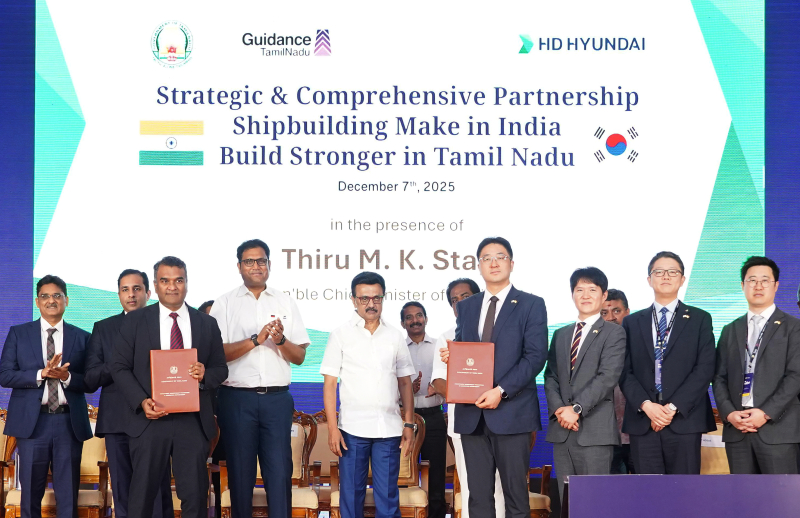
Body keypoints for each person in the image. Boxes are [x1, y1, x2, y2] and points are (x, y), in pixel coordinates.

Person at [111, 256, 228, 518]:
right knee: (142, 498)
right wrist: (141, 401)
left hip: (193, 421)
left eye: (178, 280)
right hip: (149, 420)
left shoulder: (206, 323)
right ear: (155, 285)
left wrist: (205, 374)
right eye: (165, 281)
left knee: (195, 497)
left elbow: (221, 369)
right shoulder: (135, 321)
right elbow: (118, 367)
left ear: (186, 283)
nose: (172, 286)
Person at [440, 237, 548, 518]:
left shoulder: (531, 304)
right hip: (471, 414)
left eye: (500, 256)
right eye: (486, 258)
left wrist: (500, 390)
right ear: (479, 266)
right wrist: (453, 356)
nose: (494, 263)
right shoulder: (467, 307)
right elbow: (465, 350)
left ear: (511, 263)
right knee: (477, 497)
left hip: (512, 412)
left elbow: (535, 356)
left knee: (515, 497)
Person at [209, 239, 310, 518]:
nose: (256, 266)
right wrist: (256, 340)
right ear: (239, 266)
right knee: (240, 475)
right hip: (237, 400)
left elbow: (300, 357)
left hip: (276, 400)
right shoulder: (224, 303)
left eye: (261, 260)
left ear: (269, 264)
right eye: (249, 261)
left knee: (279, 473)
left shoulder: (285, 300)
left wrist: (280, 340)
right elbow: (217, 354)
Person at [320, 272, 416, 518]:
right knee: (351, 497)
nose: (371, 304)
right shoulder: (340, 334)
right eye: (364, 299)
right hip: (352, 430)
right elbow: (330, 385)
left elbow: (405, 383)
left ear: (383, 298)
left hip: (389, 430)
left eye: (376, 298)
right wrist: (332, 428)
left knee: (388, 498)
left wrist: (408, 423)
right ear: (353, 300)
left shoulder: (394, 335)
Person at [0, 275, 93, 518]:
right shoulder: (19, 334)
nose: (51, 300)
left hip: (68, 423)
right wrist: (41, 373)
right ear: (37, 301)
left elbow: (91, 381)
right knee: (30, 493)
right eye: (45, 296)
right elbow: (5, 375)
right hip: (33, 424)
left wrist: (66, 376)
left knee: (68, 494)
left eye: (57, 295)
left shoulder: (82, 337)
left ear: (66, 300)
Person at [84, 269, 172, 518]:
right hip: (117, 422)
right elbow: (90, 379)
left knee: (156, 492)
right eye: (125, 289)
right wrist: (118, 363)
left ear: (148, 292)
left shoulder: (166, 324)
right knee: (122, 491)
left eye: (137, 289)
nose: (131, 294)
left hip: (155, 419)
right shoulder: (104, 328)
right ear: (119, 294)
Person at [619, 251, 716, 474]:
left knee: (684, 490)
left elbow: (705, 368)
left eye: (672, 272)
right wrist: (647, 406)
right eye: (659, 272)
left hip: (684, 419)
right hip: (644, 420)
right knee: (648, 490)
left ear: (682, 279)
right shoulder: (632, 322)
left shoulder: (700, 319)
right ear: (649, 279)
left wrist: (671, 408)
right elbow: (624, 371)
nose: (665, 276)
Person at [713, 256, 800, 473]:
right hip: (738, 429)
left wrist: (766, 412)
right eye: (752, 280)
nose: (758, 286)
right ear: (742, 285)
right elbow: (719, 377)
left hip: (777, 430)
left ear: (776, 285)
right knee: (742, 493)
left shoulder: (793, 328)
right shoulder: (730, 330)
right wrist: (729, 414)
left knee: (780, 494)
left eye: (764, 280)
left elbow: (796, 376)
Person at [544, 268, 626, 498]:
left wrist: (576, 409)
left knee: (594, 501)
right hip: (562, 430)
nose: (586, 295)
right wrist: (560, 410)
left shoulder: (613, 333)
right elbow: (550, 376)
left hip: (594, 432)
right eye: (580, 290)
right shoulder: (561, 334)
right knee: (567, 501)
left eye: (592, 289)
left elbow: (607, 376)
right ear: (572, 294)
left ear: (603, 295)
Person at [430, 278, 505, 518]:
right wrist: (465, 393)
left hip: (499, 417)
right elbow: (438, 381)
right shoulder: (447, 337)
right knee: (472, 485)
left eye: (465, 296)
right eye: (454, 300)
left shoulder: (499, 331)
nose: (460, 303)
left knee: (500, 486)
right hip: (465, 420)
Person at [400, 301, 446, 518]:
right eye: (409, 317)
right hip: (403, 420)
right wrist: (406, 390)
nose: (415, 320)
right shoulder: (397, 348)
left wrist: (439, 387)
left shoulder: (439, 347)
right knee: (401, 478)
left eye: (419, 315)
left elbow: (451, 377)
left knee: (436, 478)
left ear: (426, 319)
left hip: (433, 418)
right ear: (403, 323)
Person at [600, 288, 634, 474]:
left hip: (637, 432)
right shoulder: (592, 346)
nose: (611, 317)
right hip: (606, 435)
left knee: (644, 487)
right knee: (611, 488)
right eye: (604, 312)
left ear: (627, 312)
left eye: (616, 311)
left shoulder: (640, 343)